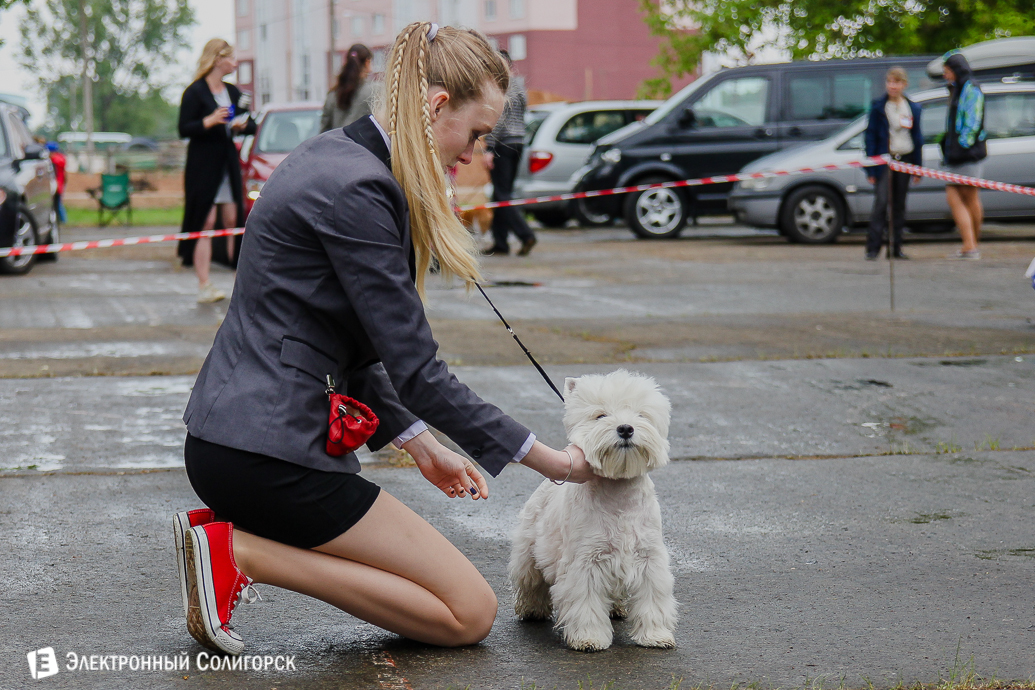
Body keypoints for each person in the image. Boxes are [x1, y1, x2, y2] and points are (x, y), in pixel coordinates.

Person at [176, 22, 593, 655]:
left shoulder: (333, 156)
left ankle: (234, 548)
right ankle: (237, 553)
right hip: (269, 456)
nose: (475, 154)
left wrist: (421, 445)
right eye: (476, 133)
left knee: (457, 606)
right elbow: (419, 373)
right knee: (468, 613)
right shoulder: (361, 188)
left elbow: (351, 345)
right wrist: (556, 464)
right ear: (436, 106)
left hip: (237, 441)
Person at [177, 39, 256, 303]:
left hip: (227, 165)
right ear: (217, 59)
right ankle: (204, 284)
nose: (235, 63)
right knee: (206, 222)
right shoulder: (195, 92)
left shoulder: (233, 92)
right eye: (231, 58)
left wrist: (241, 126)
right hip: (203, 166)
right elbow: (183, 128)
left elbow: (251, 124)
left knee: (232, 221)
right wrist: (209, 121)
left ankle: (237, 283)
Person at [864, 67, 923, 261]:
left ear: (904, 85)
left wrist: (917, 167)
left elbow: (917, 138)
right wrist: (871, 168)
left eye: (897, 82)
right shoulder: (878, 107)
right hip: (885, 161)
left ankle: (895, 247)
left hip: (905, 159)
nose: (893, 86)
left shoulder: (912, 108)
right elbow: (870, 137)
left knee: (899, 205)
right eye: (890, 82)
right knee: (881, 203)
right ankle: (873, 249)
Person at [483, 50, 536, 256]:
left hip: (503, 145)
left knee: (502, 194)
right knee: (501, 193)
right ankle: (501, 242)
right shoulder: (520, 87)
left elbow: (497, 119)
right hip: (518, 143)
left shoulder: (502, 87)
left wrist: (489, 148)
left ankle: (526, 234)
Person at [941, 51, 987, 260]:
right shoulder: (956, 88)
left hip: (967, 154)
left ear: (956, 70)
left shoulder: (971, 89)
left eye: (947, 70)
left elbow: (972, 122)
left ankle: (971, 245)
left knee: (967, 197)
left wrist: (962, 145)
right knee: (960, 197)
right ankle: (971, 244)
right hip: (956, 154)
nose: (945, 75)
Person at [320, 44, 377, 133]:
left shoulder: (333, 94)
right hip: (361, 141)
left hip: (336, 141)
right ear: (367, 62)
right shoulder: (374, 91)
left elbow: (324, 129)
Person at [46, 142, 68, 224]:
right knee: (58, 203)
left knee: (58, 204)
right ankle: (62, 220)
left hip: (57, 184)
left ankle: (63, 221)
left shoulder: (55, 160)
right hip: (60, 184)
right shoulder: (61, 158)